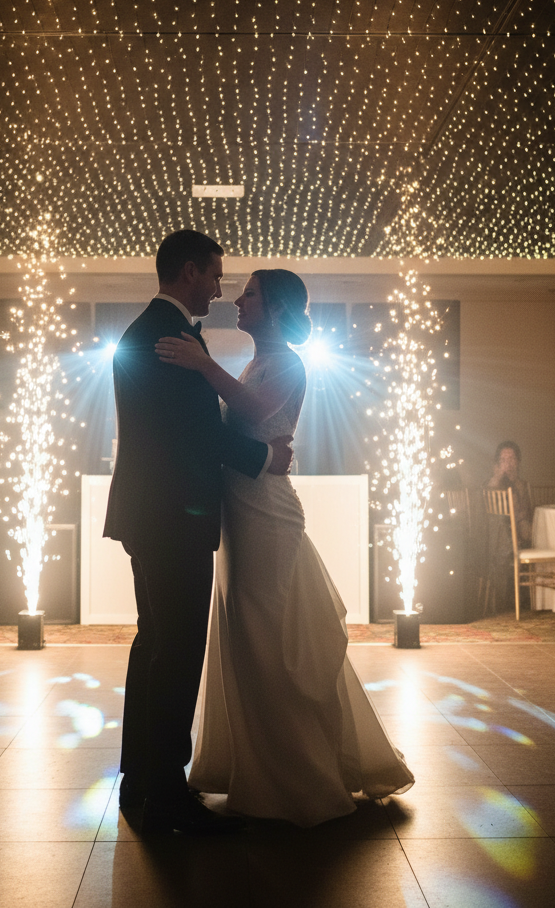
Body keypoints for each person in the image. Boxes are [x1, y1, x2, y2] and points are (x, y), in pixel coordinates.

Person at [157, 269, 415, 826]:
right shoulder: (254, 362)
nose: (239, 300)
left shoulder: (289, 362)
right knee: (246, 635)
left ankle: (295, 775)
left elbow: (250, 412)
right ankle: (250, 766)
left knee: (269, 635)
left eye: (249, 294)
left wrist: (203, 366)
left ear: (273, 307)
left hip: (267, 513)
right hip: (241, 510)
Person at [103, 229, 294, 836]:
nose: (221, 287)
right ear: (189, 272)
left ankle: (140, 779)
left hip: (152, 513)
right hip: (173, 516)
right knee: (177, 652)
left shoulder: (154, 330)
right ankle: (164, 793)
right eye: (215, 274)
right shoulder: (169, 336)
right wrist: (265, 460)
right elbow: (196, 435)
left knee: (153, 645)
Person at [486, 440, 533, 547]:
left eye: (511, 459)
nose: (508, 464)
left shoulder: (522, 485)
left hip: (522, 528)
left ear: (518, 461)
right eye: (503, 460)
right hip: (500, 534)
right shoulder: (493, 484)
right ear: (498, 464)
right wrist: (498, 477)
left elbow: (528, 512)